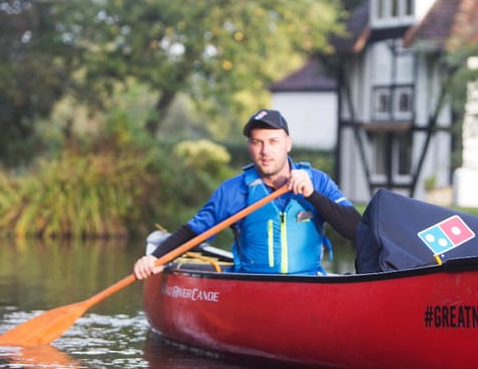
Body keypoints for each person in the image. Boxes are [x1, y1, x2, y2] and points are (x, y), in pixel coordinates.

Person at [133, 109, 360, 278]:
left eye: (273, 141)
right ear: (249, 146)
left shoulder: (317, 181)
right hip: (252, 286)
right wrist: (155, 258)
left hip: (308, 285)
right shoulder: (233, 191)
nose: (265, 151)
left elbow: (355, 229)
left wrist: (312, 195)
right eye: (257, 142)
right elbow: (194, 232)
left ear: (288, 144)